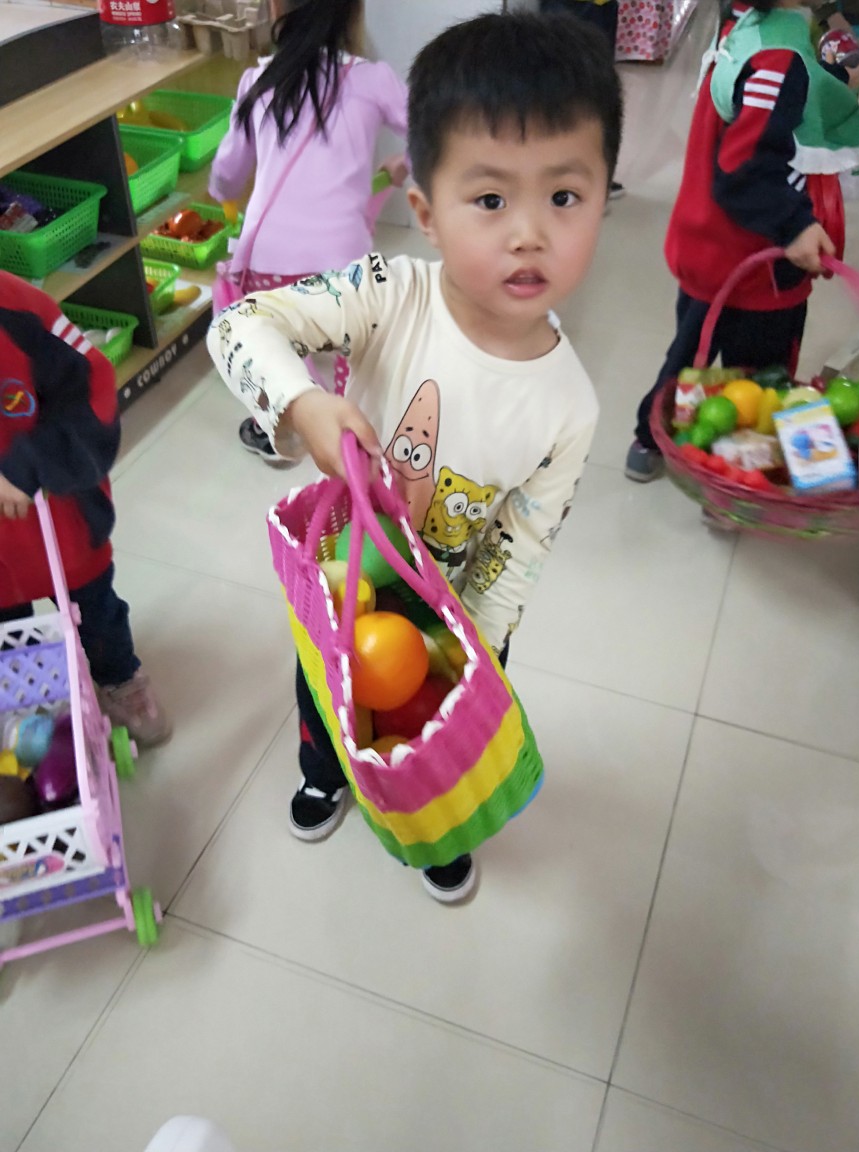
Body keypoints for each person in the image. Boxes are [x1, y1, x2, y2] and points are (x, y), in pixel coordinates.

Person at [208, 10, 622, 902]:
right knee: (326, 696)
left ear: (604, 197)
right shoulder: (389, 292)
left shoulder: (571, 405)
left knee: (434, 741)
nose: (529, 233)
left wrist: (472, 651)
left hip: (453, 616)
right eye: (490, 199)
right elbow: (241, 325)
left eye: (564, 196)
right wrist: (304, 402)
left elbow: (520, 549)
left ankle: (436, 823)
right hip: (344, 581)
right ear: (426, 214)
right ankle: (324, 770)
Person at [624, 0, 859, 483]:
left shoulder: (745, 25)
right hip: (756, 261)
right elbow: (745, 167)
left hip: (704, 242)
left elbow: (772, 108)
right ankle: (736, 482)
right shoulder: (780, 58)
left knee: (689, 354)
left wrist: (840, 77)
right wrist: (795, 226)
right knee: (759, 382)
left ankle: (649, 439)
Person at [208, 0, 408, 466]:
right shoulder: (373, 80)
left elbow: (227, 175)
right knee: (351, 342)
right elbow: (437, 133)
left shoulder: (258, 81)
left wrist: (221, 193)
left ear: (276, 6)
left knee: (273, 347)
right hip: (344, 267)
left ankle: (283, 427)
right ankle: (354, 424)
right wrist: (406, 162)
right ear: (354, 11)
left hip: (267, 263)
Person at [0, 272, 171, 747]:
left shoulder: (20, 312)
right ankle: (22, 698)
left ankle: (119, 678)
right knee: (8, 629)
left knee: (95, 611)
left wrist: (28, 464)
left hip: (60, 520)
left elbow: (92, 388)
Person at [539, 0, 625, 197]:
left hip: (600, 6)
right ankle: (561, 176)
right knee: (567, 92)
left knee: (597, 91)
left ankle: (588, 174)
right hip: (573, 7)